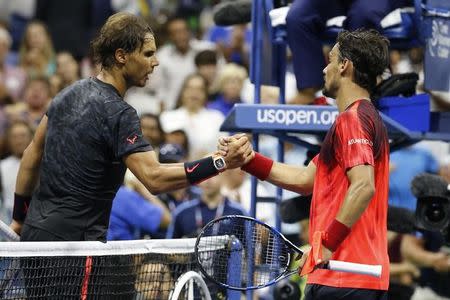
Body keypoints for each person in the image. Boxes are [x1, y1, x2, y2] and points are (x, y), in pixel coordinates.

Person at [9, 12, 253, 243]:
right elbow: (154, 179)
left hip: (36, 236)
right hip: (76, 246)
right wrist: (220, 162)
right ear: (121, 56)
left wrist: (19, 218)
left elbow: (31, 157)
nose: (155, 62)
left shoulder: (66, 94)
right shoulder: (119, 113)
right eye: (147, 54)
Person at [220, 29, 391, 299]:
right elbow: (305, 179)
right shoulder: (364, 118)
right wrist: (248, 160)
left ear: (345, 66)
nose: (324, 69)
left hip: (344, 275)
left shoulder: (353, 119)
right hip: (356, 276)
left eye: (331, 60)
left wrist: (327, 245)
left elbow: (363, 186)